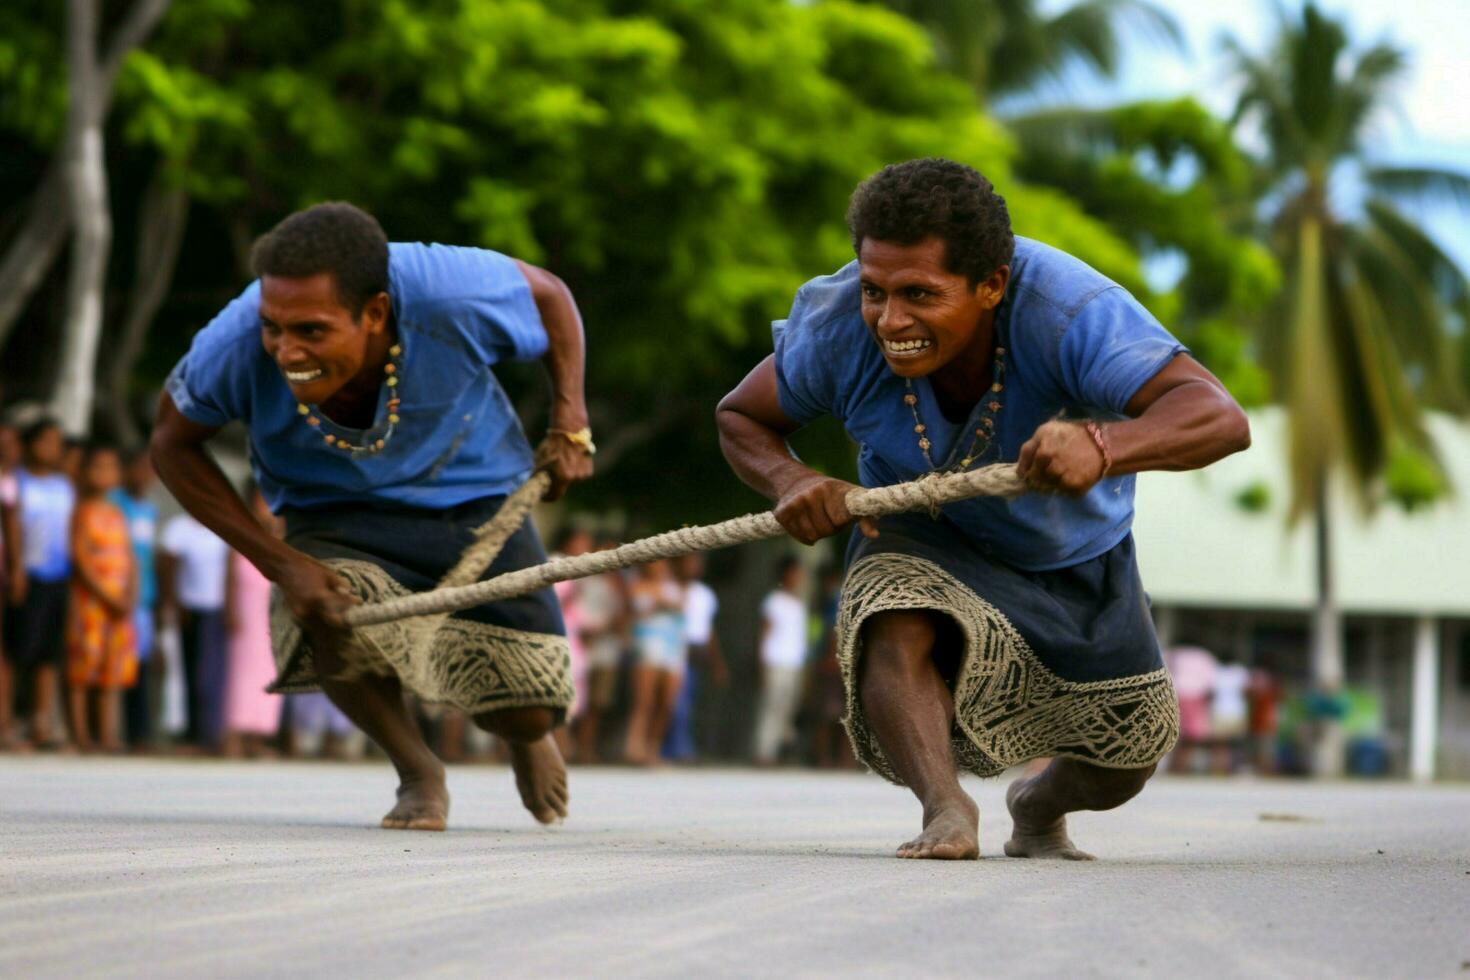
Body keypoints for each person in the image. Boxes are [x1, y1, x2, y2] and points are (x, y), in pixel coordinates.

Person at [715, 158, 1250, 860]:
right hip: (919, 528)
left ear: (992, 285)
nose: (890, 319)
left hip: (1071, 550)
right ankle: (946, 809)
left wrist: (1104, 445)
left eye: (919, 294)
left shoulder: (1069, 312)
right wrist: (790, 480)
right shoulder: (839, 325)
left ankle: (1036, 804)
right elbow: (741, 418)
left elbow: (1219, 417)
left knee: (1125, 757)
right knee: (890, 614)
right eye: (875, 290)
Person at [151, 202, 592, 829]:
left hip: (477, 495)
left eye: (310, 330)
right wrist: (281, 564)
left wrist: (570, 422)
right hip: (331, 509)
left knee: (526, 711)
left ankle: (522, 734)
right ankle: (417, 771)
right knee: (325, 614)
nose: (285, 350)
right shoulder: (234, 341)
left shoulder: (450, 293)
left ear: (376, 312)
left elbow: (551, 297)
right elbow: (170, 442)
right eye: (273, 327)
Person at [65, 444, 137, 753]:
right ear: (84, 473)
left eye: (111, 468)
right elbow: (80, 559)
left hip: (120, 601)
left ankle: (107, 734)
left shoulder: (117, 513)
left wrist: (130, 593)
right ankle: (81, 734)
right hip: (92, 600)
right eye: (98, 467)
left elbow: (131, 557)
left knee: (112, 667)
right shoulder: (82, 512)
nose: (105, 474)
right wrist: (106, 596)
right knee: (83, 665)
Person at [9, 418, 76, 747]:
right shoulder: (17, 483)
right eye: (45, 441)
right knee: (15, 650)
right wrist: (15, 569)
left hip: (58, 577)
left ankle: (39, 724)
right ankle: (8, 721)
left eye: (56, 442)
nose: (52, 449)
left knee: (48, 655)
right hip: (27, 576)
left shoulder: (64, 486)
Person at [160, 510, 230, 751]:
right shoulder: (179, 528)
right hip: (189, 609)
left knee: (210, 674)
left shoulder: (222, 526)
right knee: (189, 672)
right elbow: (168, 565)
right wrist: (172, 603)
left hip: (216, 610)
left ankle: (212, 731)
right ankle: (193, 733)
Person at [222, 484, 284, 758]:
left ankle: (258, 739)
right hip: (246, 616)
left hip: (269, 618)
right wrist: (230, 610)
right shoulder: (240, 537)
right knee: (240, 675)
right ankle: (233, 736)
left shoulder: (280, 539)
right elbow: (229, 578)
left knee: (270, 673)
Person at [111, 449, 161, 749]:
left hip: (143, 597)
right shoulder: (114, 503)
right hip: (115, 596)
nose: (146, 476)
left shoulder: (149, 509)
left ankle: (138, 732)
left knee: (139, 664)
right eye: (141, 468)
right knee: (114, 662)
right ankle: (109, 730)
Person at [662, 553, 727, 762]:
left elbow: (709, 631)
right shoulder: (669, 589)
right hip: (672, 651)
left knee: (686, 702)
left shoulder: (705, 594)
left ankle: (679, 746)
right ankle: (676, 748)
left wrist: (717, 662)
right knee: (674, 703)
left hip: (696, 656)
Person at [622, 559, 685, 765]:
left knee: (667, 702)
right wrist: (658, 603)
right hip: (648, 643)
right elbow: (633, 614)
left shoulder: (674, 588)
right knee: (644, 700)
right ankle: (634, 747)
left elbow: (683, 611)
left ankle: (654, 748)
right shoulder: (637, 586)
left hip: (672, 646)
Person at [572, 537, 627, 763]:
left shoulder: (618, 584)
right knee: (575, 701)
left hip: (606, 648)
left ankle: (586, 748)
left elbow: (623, 616)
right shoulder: (582, 578)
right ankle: (567, 747)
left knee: (598, 703)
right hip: (580, 646)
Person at [753, 557, 808, 765]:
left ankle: (776, 751)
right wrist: (762, 665)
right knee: (771, 707)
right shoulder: (773, 601)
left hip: (794, 663)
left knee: (787, 709)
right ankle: (763, 752)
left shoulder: (798, 603)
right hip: (776, 661)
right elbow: (764, 634)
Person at [1167, 642, 1219, 774]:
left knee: (1174, 732)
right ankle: (1182, 765)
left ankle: (1175, 765)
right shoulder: (1205, 656)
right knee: (1191, 736)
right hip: (1196, 696)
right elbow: (1211, 683)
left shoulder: (1175, 653)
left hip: (1176, 694)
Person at [1211, 653, 1251, 774]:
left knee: (1221, 744)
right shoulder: (1240, 671)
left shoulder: (1217, 671)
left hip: (1220, 710)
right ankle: (1231, 768)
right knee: (1235, 743)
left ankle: (1220, 767)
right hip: (1236, 711)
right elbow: (1247, 691)